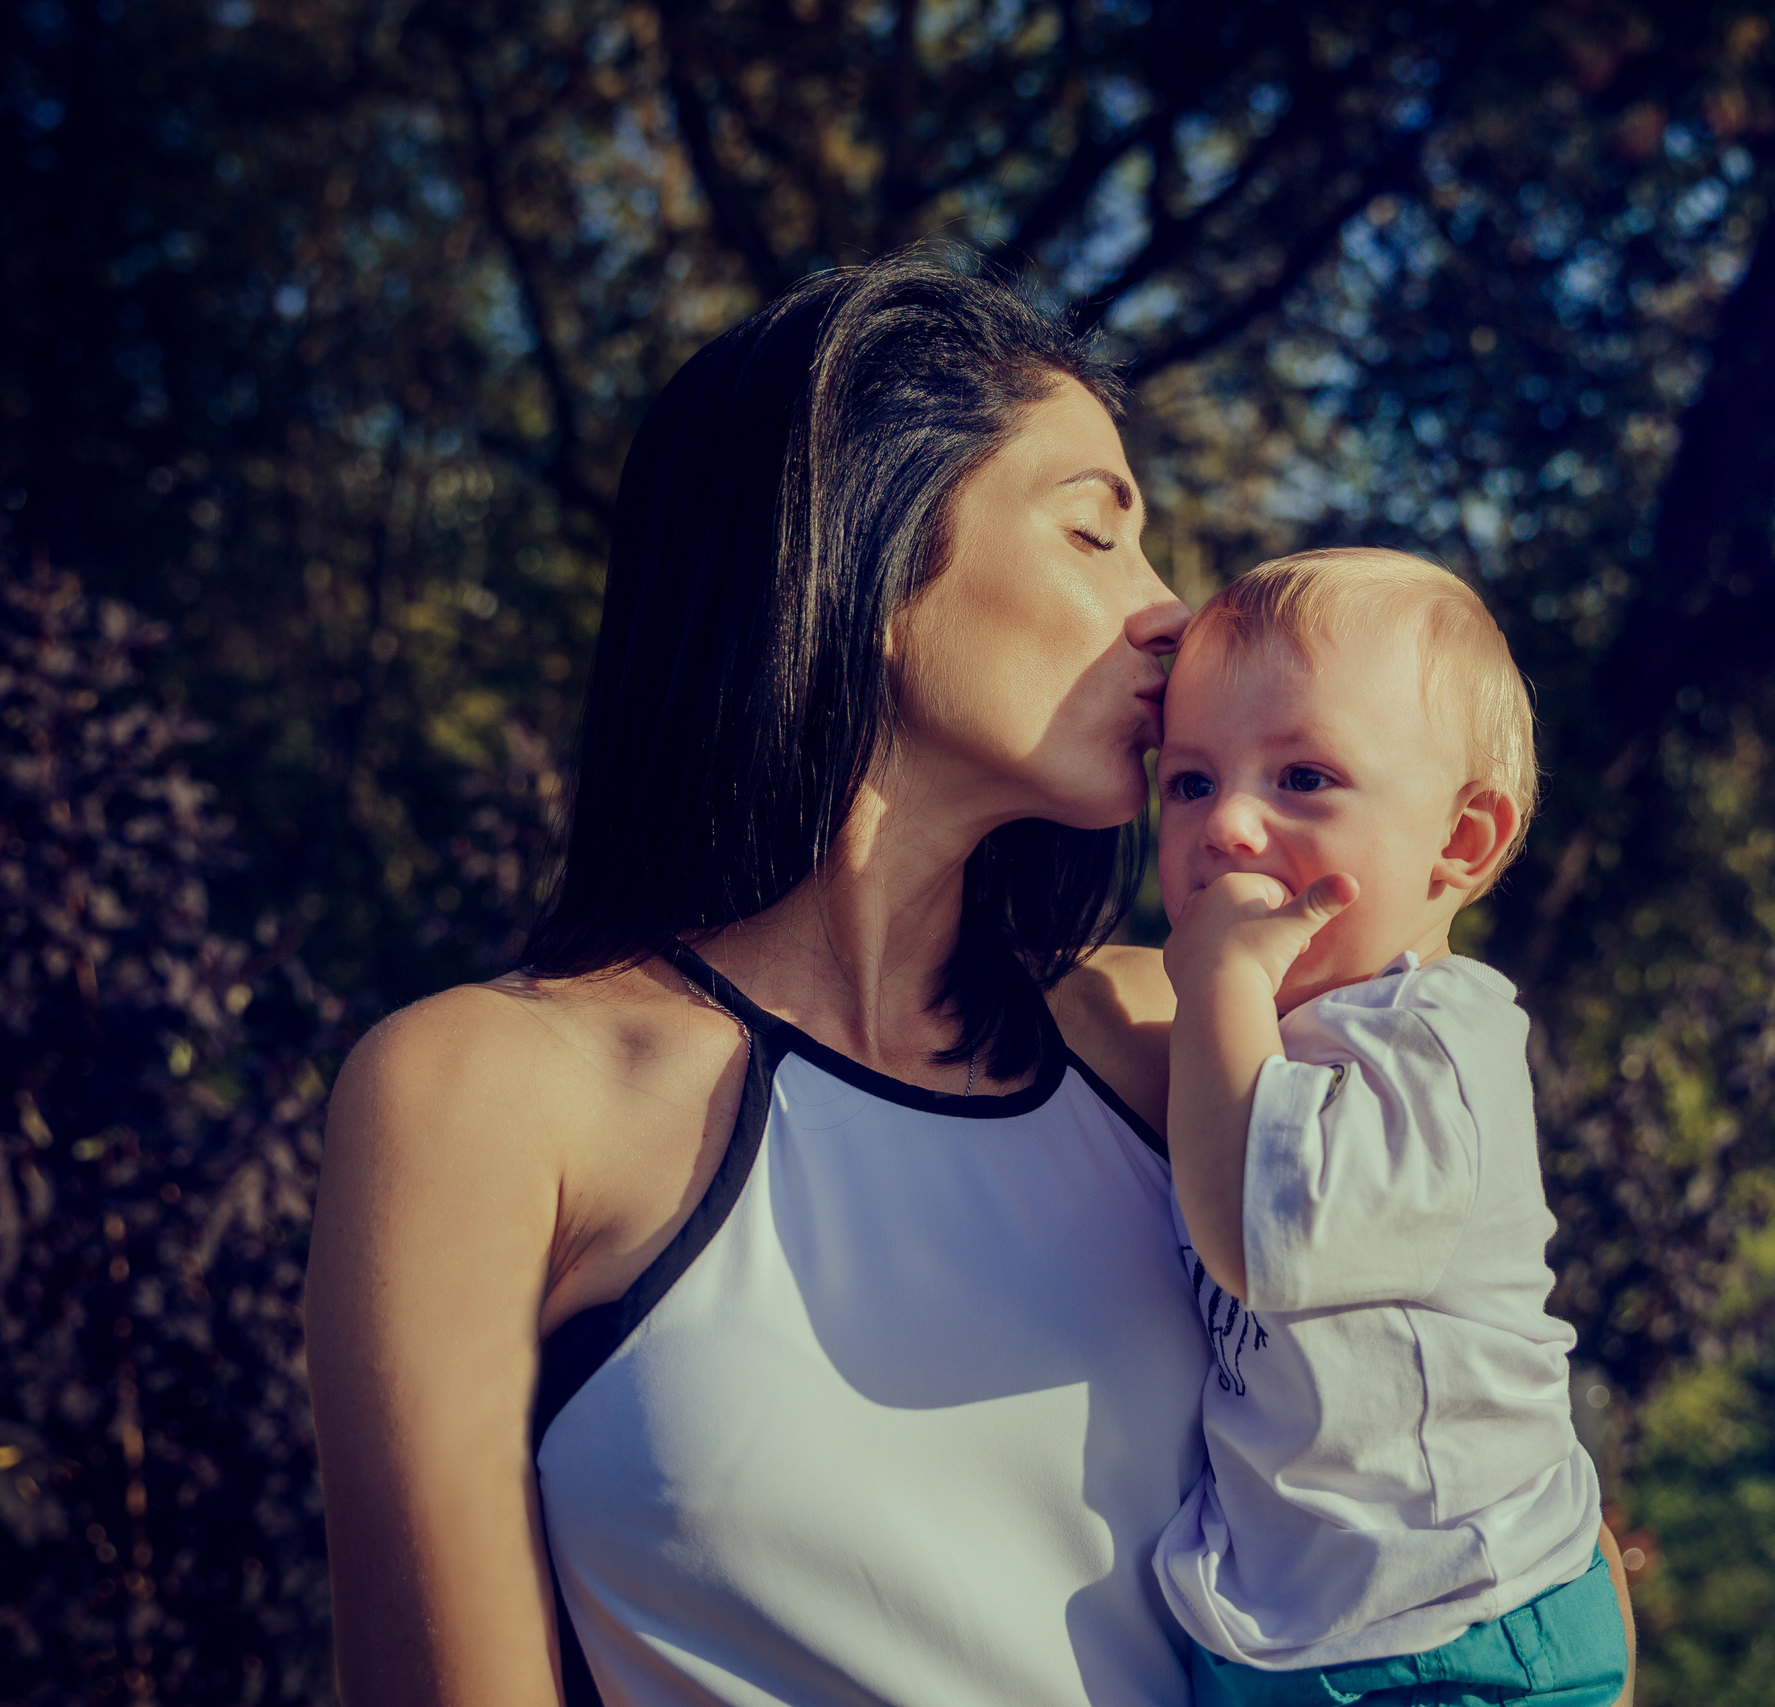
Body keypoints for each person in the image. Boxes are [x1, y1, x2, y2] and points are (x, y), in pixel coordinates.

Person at [304, 252, 1203, 1705]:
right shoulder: (482, 1095)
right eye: (1096, 533)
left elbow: (1464, 1488)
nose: (1169, 611)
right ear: (868, 551)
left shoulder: (1175, 1041)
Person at [1149, 549, 1633, 1706]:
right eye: (1190, 782)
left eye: (1304, 777)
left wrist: (1216, 982)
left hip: (1454, 1628)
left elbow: (1251, 1235)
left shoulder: (1435, 1043)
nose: (1227, 825)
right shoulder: (1275, 1034)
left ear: (1458, 844)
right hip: (1307, 1629)